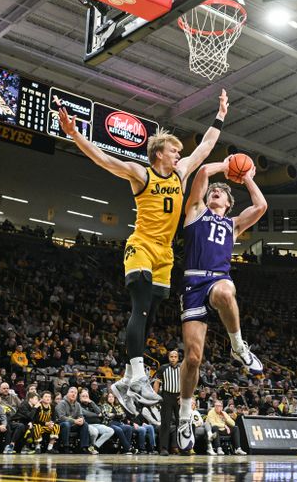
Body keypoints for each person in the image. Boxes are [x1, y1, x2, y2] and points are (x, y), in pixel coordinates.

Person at [56, 89, 228, 414]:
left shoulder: (180, 174)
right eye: (174, 150)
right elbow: (104, 160)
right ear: (159, 153)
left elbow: (205, 146)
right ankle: (136, 373)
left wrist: (220, 114)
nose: (179, 154)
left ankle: (125, 380)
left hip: (165, 254)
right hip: (141, 246)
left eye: (179, 151)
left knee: (150, 314)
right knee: (140, 305)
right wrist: (76, 135)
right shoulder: (141, 174)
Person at [175, 160, 267, 452]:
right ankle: (184, 415)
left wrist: (248, 177)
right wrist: (226, 166)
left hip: (217, 280)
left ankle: (238, 347)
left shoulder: (233, 224)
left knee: (227, 292)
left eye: (221, 193)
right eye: (212, 191)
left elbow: (261, 206)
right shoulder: (195, 211)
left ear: (229, 204)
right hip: (192, 284)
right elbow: (203, 173)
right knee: (192, 358)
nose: (214, 192)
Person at [154, 350, 180, 455]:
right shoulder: (163, 368)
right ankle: (163, 448)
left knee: (181, 423)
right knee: (165, 423)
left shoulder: (182, 368)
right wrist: (155, 397)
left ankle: (179, 446)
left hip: (179, 397)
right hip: (167, 396)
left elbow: (187, 382)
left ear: (178, 358)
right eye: (171, 356)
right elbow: (157, 383)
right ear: (168, 358)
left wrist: (184, 395)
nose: (173, 358)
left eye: (175, 356)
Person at [55, 386, 92, 454]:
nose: (73, 394)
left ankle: (83, 447)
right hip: (61, 425)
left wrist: (82, 420)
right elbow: (61, 418)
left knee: (85, 424)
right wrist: (74, 421)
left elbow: (81, 415)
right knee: (66, 424)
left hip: (73, 425)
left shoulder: (77, 404)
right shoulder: (62, 403)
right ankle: (66, 447)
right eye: (72, 392)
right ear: (67, 393)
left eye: (75, 393)